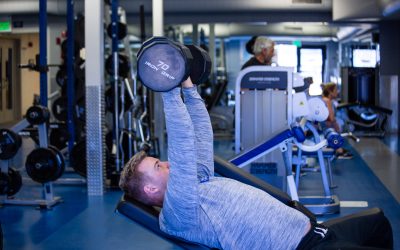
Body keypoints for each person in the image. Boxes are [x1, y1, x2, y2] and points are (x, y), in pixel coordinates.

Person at [119, 77, 393, 250]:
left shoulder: (196, 182)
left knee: (378, 222)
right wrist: (168, 87)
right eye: (158, 166)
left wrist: (188, 86)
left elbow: (201, 133)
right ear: (152, 191)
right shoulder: (177, 213)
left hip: (318, 231)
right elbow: (181, 141)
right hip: (305, 247)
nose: (167, 163)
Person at [322, 83, 353, 159]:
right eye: (335, 90)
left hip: (323, 125)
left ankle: (339, 149)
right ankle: (339, 151)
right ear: (330, 91)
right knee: (335, 129)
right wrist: (336, 126)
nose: (337, 92)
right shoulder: (327, 101)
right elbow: (331, 118)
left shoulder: (325, 99)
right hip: (324, 127)